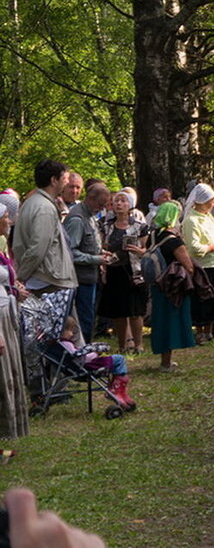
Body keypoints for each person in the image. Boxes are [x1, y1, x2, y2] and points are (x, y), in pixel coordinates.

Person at [14, 161, 81, 337]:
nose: (67, 183)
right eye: (65, 179)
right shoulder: (43, 208)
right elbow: (38, 248)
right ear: (54, 180)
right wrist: (21, 276)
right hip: (49, 281)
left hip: (45, 278)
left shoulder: (35, 203)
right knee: (63, 335)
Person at [98, 189, 150, 353]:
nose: (119, 204)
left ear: (130, 205)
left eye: (123, 201)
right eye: (116, 201)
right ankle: (122, 346)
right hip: (114, 272)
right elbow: (100, 247)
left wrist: (140, 252)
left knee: (135, 311)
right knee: (118, 312)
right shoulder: (105, 226)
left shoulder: (140, 226)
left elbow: (148, 249)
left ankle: (138, 345)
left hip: (134, 272)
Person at [147, 201, 196, 371]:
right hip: (173, 287)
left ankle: (164, 360)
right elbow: (189, 266)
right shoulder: (174, 241)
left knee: (160, 322)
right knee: (172, 323)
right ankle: (166, 363)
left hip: (157, 285)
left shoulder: (153, 237)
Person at [63, 182, 113, 343]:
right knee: (83, 321)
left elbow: (88, 244)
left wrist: (101, 253)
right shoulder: (77, 219)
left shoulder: (90, 216)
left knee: (89, 318)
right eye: (100, 204)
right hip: (80, 280)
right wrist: (96, 259)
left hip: (90, 278)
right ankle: (82, 357)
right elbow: (70, 252)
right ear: (90, 198)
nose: (102, 208)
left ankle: (86, 354)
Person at [182, 184, 214, 344]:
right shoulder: (191, 220)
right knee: (202, 300)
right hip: (202, 267)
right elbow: (194, 248)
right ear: (201, 201)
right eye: (211, 201)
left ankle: (210, 330)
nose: (213, 204)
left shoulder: (208, 217)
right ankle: (200, 331)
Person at [59, 316, 135, 410]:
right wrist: (95, 353)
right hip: (86, 367)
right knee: (119, 359)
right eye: (69, 330)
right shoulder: (66, 344)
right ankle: (116, 390)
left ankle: (120, 391)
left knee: (118, 361)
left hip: (78, 367)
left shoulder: (58, 345)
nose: (72, 334)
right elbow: (79, 357)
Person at [0, 195, 28, 438]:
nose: (9, 220)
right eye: (6, 217)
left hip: (6, 312)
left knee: (8, 372)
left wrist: (14, 288)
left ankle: (8, 432)